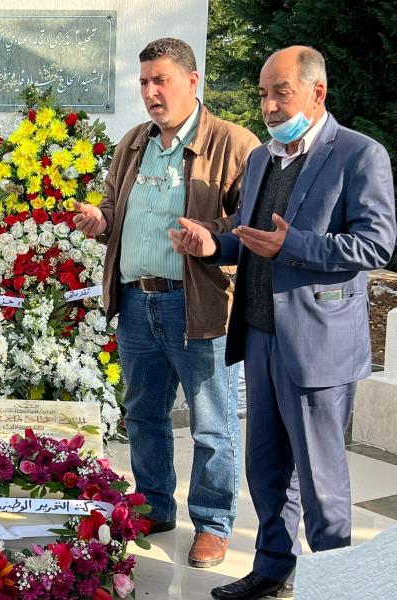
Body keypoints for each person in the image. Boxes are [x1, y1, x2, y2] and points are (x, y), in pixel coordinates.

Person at [171, 46, 396, 600]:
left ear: (317, 93)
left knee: (322, 485)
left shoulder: (360, 155)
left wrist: (292, 245)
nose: (269, 105)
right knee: (267, 473)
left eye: (281, 93)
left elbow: (375, 244)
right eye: (264, 94)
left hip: (318, 347)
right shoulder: (262, 159)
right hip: (260, 336)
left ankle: (341, 586)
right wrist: (212, 243)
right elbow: (251, 239)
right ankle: (274, 570)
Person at [74, 37, 259, 568]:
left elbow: (251, 226)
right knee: (144, 415)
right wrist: (101, 220)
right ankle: (155, 504)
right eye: (144, 83)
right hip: (137, 303)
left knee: (211, 423)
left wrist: (210, 235)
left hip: (197, 306)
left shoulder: (234, 144)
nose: (151, 93)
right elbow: (114, 208)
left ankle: (213, 523)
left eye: (162, 81)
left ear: (193, 82)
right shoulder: (134, 141)